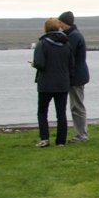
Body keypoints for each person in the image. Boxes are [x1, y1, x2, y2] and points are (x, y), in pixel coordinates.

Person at [31, 18, 75, 147]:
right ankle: (61, 141)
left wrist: (34, 64)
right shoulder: (66, 44)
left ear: (46, 28)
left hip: (46, 83)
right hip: (62, 82)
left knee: (42, 111)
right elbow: (71, 64)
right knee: (61, 113)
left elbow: (40, 64)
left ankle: (44, 138)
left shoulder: (42, 44)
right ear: (58, 28)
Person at [57, 10, 91, 142]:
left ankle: (82, 135)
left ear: (66, 23)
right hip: (75, 75)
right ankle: (81, 134)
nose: (59, 25)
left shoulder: (74, 36)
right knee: (76, 106)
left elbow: (68, 56)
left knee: (77, 106)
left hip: (76, 76)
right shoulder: (72, 35)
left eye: (61, 22)